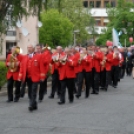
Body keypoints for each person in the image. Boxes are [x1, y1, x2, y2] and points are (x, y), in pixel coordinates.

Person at [18, 44, 41, 111]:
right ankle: (34, 104)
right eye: (28, 47)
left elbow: (41, 67)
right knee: (30, 91)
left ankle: (31, 105)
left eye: (30, 47)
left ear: (33, 49)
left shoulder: (38, 56)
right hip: (28, 77)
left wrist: (42, 76)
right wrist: (20, 76)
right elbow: (22, 67)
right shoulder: (25, 57)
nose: (29, 49)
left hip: (35, 76)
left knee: (34, 90)